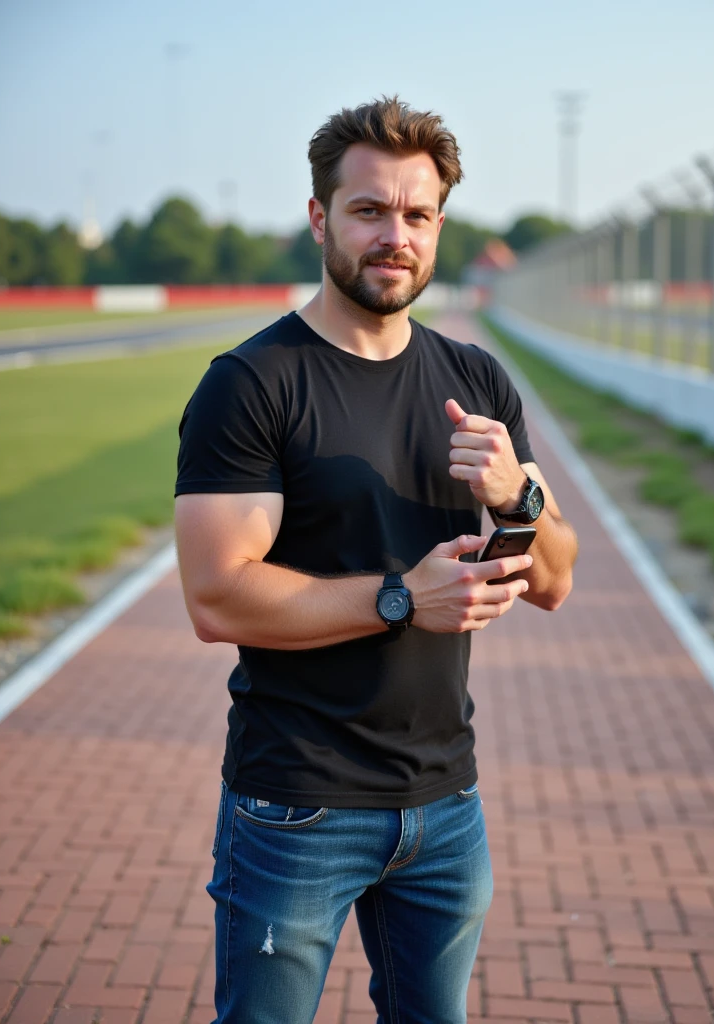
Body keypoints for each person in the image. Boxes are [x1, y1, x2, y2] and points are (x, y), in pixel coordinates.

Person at [174, 95, 578, 1024]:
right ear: (321, 218)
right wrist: (403, 599)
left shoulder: (474, 378)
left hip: (447, 804)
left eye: (418, 214)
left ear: (439, 226)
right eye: (369, 211)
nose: (395, 235)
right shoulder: (253, 384)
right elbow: (217, 599)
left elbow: (556, 578)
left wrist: (518, 493)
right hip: (298, 808)